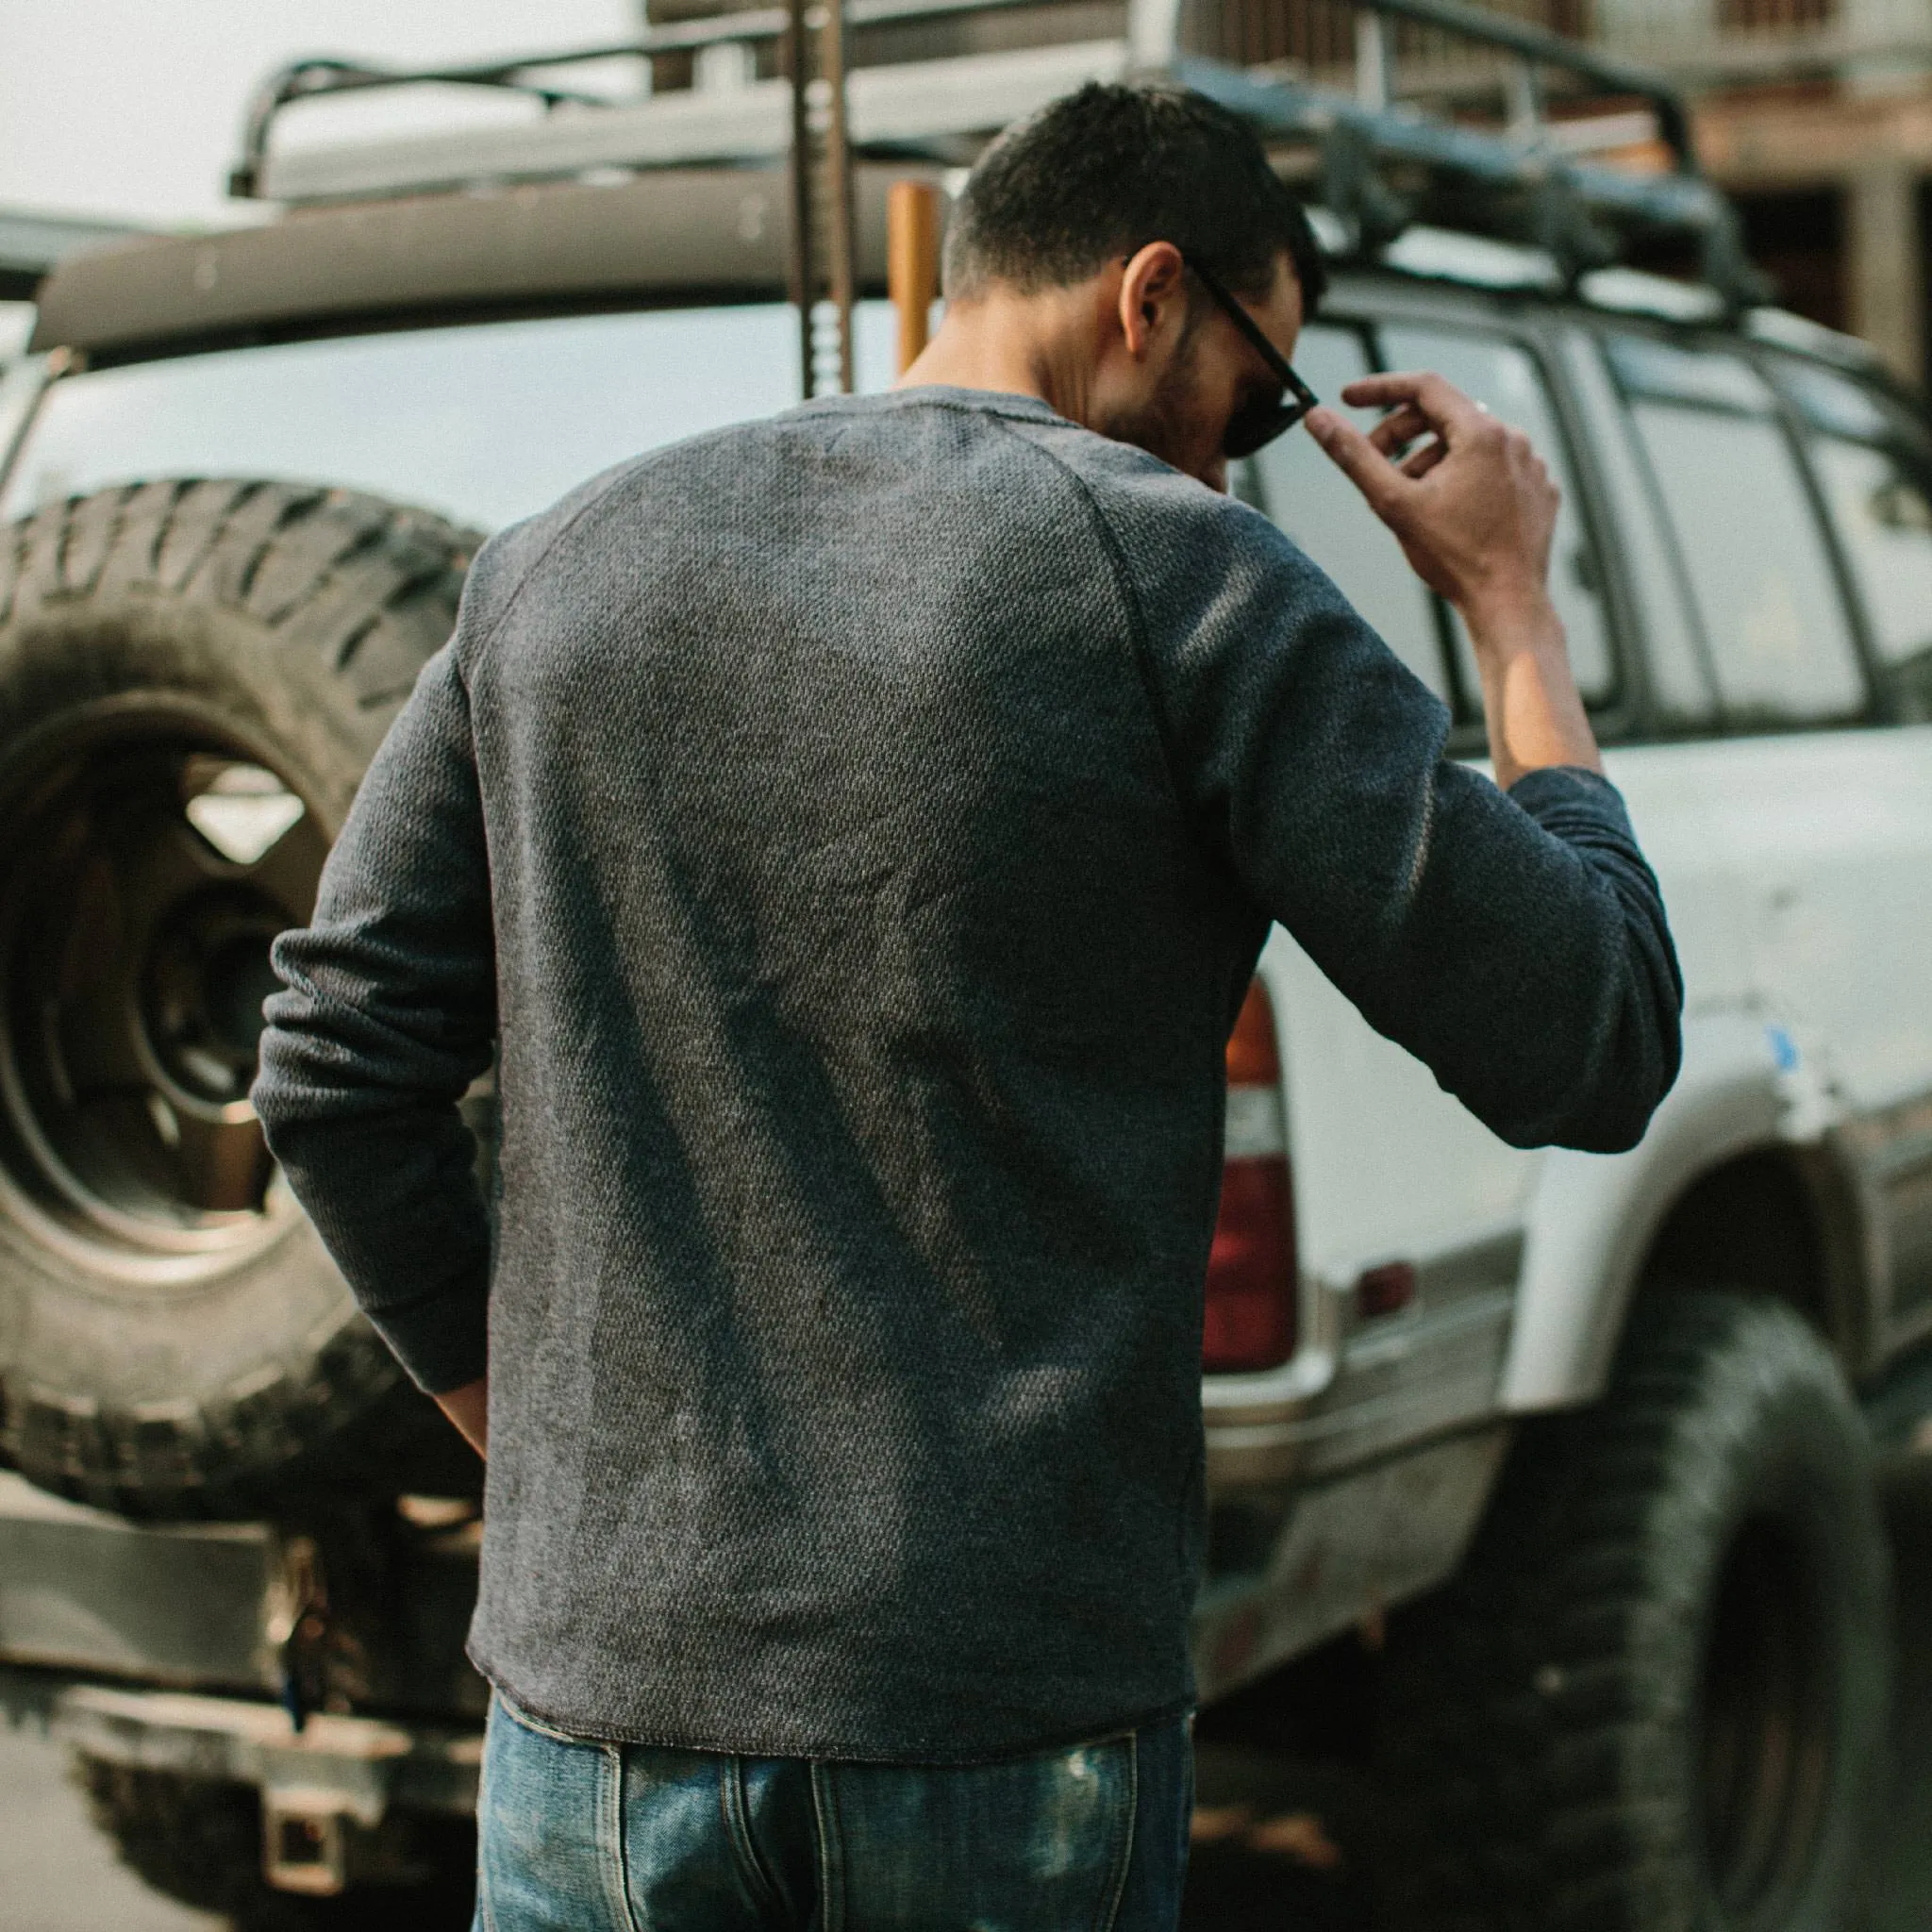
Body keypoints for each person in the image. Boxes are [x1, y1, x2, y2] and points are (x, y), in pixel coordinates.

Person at [253, 80, 1680, 1932]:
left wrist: (536, 1457)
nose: (1242, 465)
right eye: (1259, 401)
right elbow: (1593, 1031)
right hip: (998, 1715)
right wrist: (1510, 612)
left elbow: (328, 1076)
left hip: (593, 1706)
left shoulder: (556, 561)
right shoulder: (1183, 581)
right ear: (1147, 296)